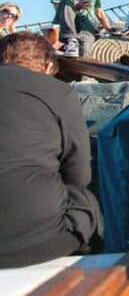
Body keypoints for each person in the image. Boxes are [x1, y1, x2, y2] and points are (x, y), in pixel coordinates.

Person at [0, 32, 103, 267]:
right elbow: (79, 176)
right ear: (47, 67)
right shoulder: (59, 91)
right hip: (36, 241)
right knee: (86, 200)